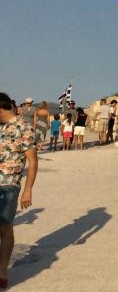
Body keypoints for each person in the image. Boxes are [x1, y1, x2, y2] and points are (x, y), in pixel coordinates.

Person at [0, 92, 38, 289]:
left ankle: (2, 271)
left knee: (4, 226)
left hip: (9, 184)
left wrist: (28, 190)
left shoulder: (23, 127)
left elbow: (32, 161)